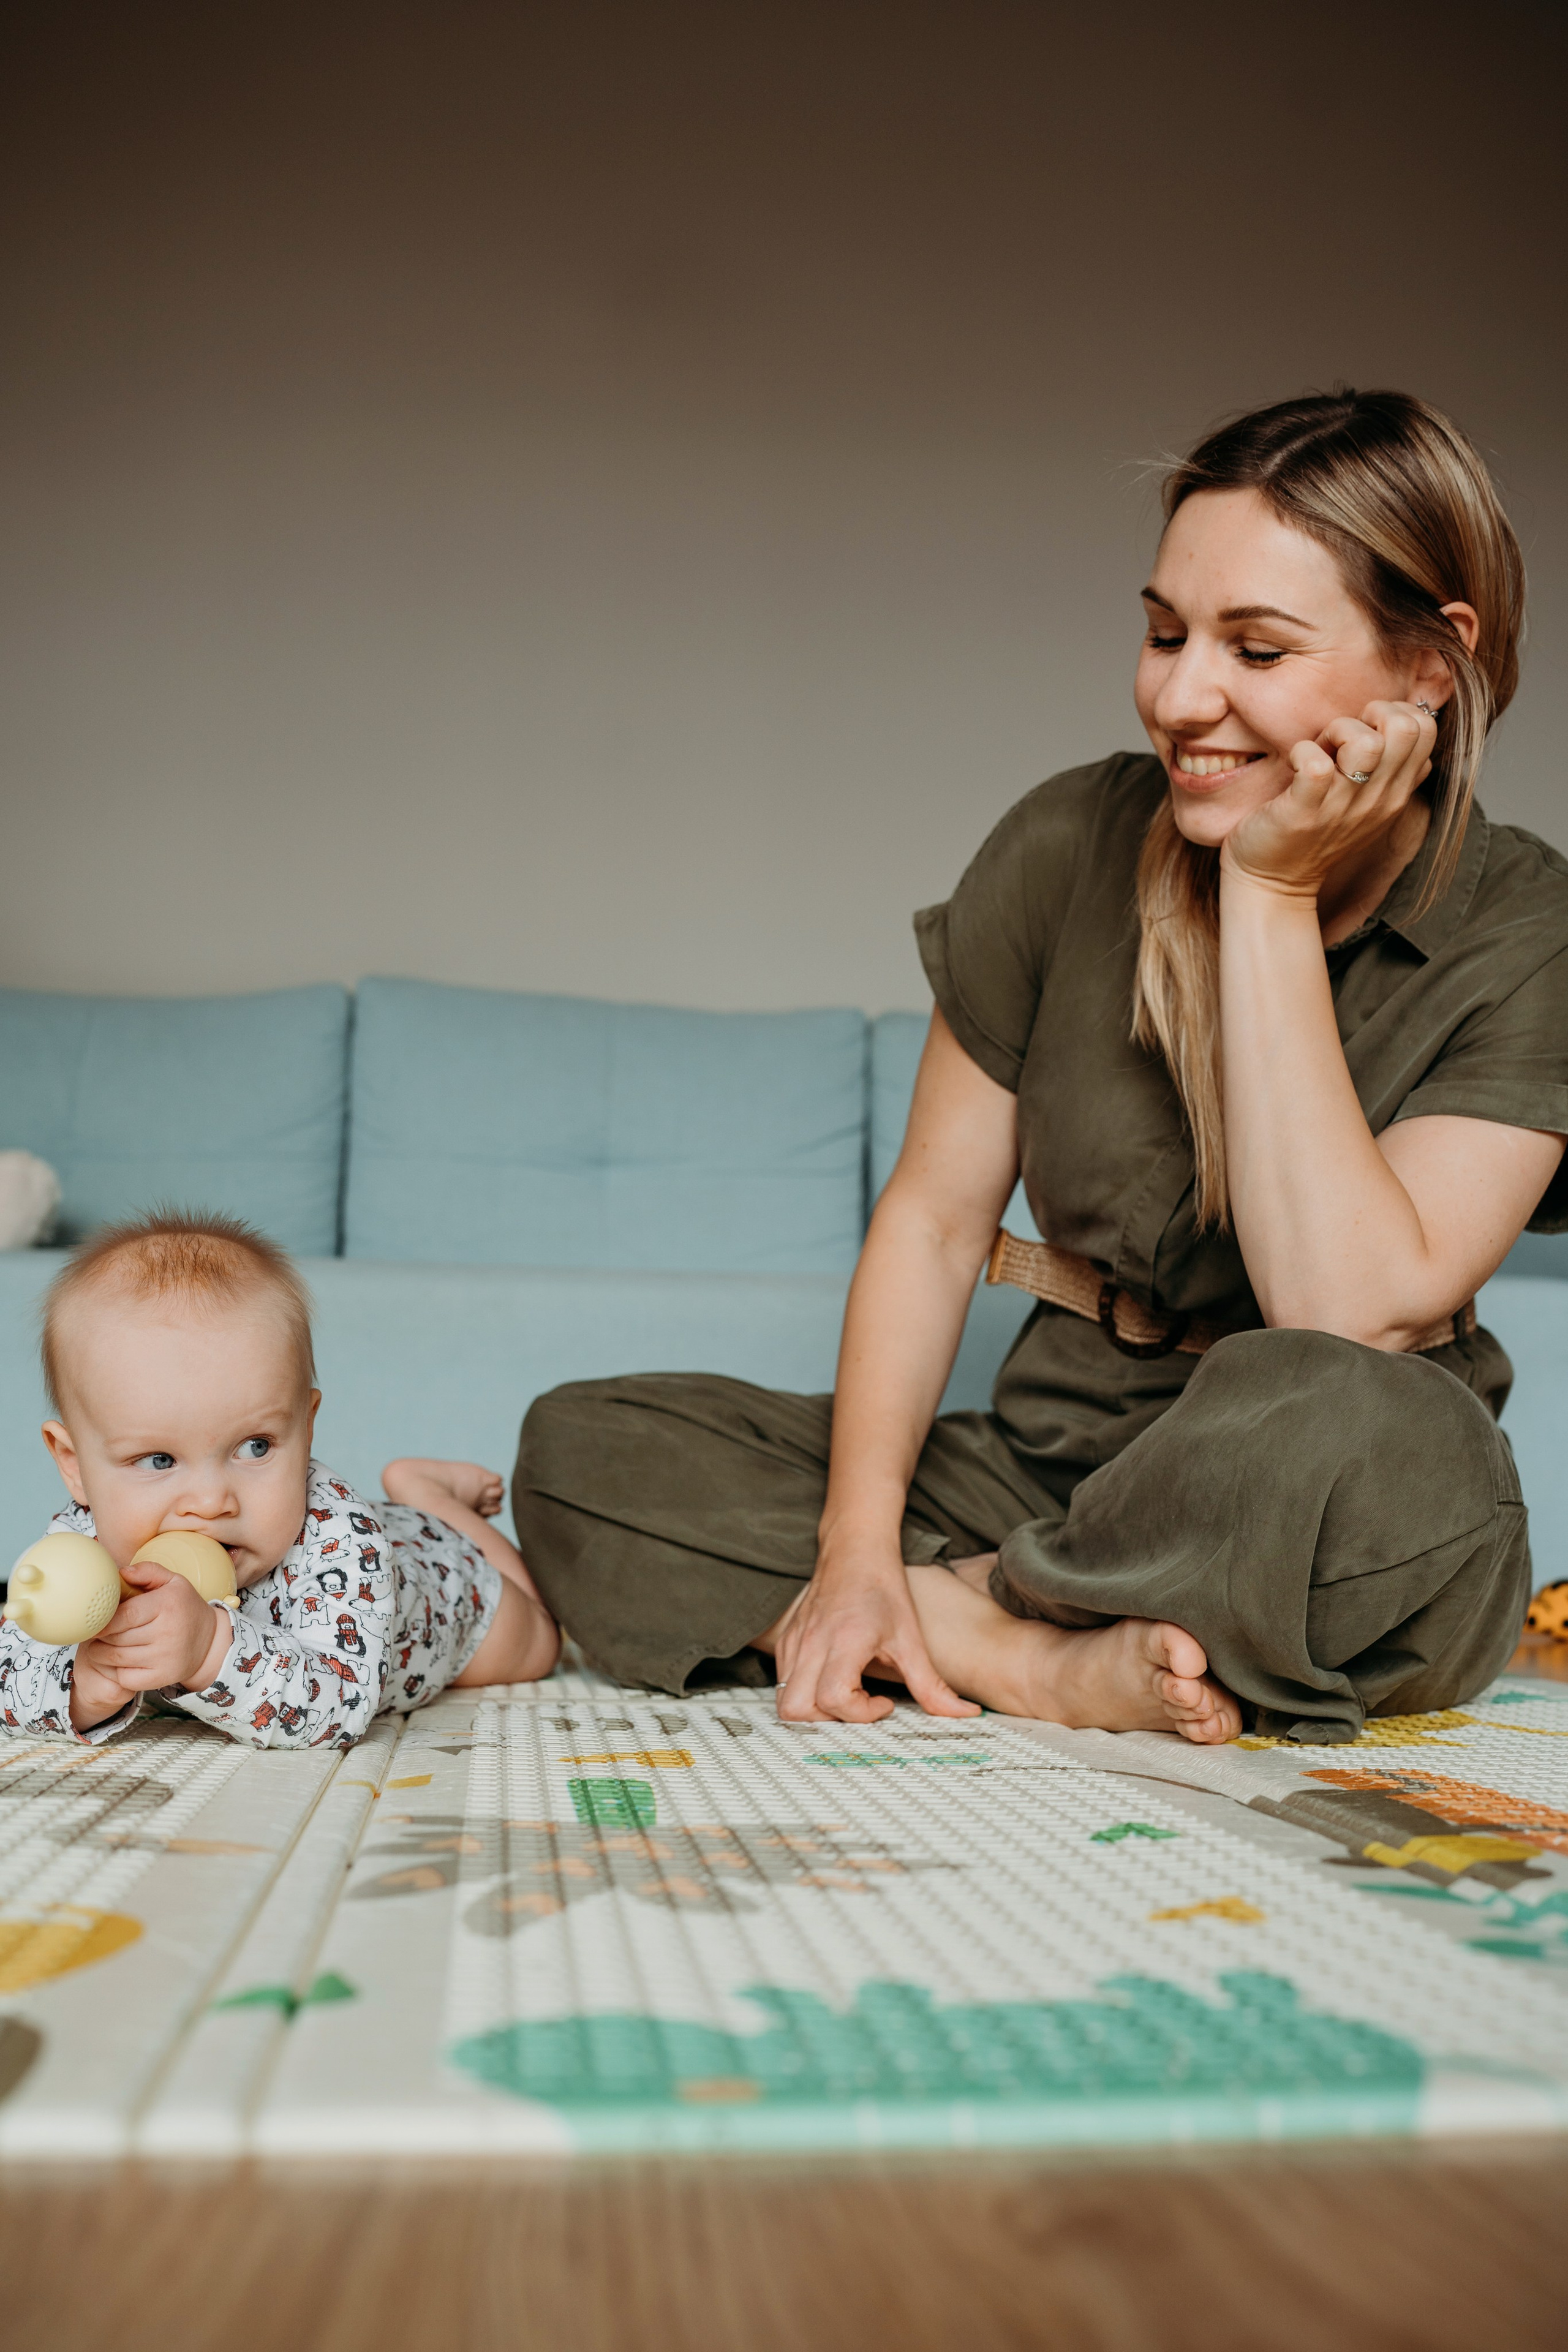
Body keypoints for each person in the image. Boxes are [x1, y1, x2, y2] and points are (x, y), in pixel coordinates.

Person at [513, 386, 1568, 1746]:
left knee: (1383, 1456)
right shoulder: (1068, 841)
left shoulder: (1529, 931)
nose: (1180, 698)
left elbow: (1338, 1311)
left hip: (1299, 1477)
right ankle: (1028, 1650)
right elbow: (933, 1221)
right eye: (1163, 633)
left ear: (1430, 666)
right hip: (1040, 1469)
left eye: (1255, 649)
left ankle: (964, 1609)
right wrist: (852, 1549)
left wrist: (1266, 895)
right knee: (584, 1451)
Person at [0, 1210, 558, 1745]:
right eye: (159, 1460)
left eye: (255, 1447)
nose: (211, 1502)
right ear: (74, 1465)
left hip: (443, 1583)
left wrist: (210, 1649)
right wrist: (82, 1688)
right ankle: (416, 1493)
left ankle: (432, 1500)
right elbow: (11, 1672)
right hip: (396, 1537)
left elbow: (341, 1708)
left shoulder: (343, 1542)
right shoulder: (82, 1549)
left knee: (539, 1643)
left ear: (306, 1429)